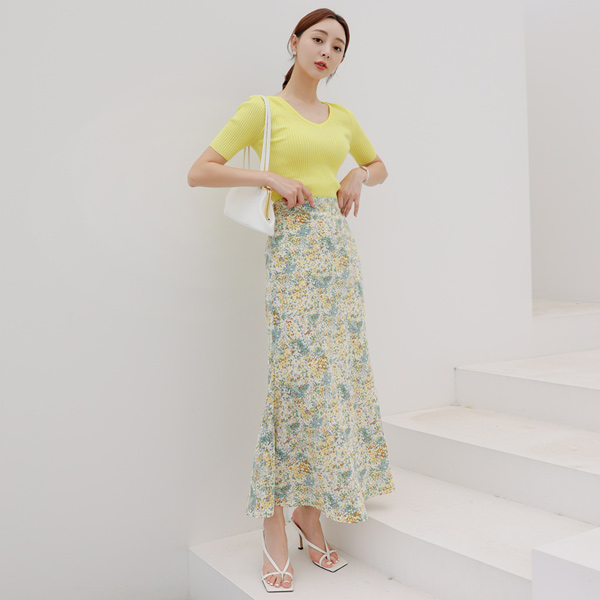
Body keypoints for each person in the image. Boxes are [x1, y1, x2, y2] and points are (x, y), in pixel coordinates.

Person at [187, 7, 395, 592]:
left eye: (338, 46)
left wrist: (358, 176)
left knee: (336, 381)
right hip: (293, 254)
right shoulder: (262, 110)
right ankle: (274, 523)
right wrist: (268, 178)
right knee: (293, 384)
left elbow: (378, 165)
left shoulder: (342, 117)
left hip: (338, 255)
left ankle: (310, 511)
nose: (327, 51)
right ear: (295, 43)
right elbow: (200, 172)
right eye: (318, 39)